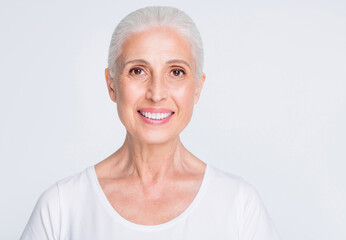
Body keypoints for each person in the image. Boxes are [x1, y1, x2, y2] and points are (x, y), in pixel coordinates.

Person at [20, 6, 280, 239]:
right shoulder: (61, 208)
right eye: (138, 71)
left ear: (197, 88)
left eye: (176, 72)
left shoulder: (238, 206)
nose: (156, 93)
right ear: (112, 85)